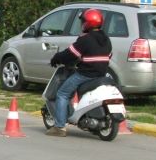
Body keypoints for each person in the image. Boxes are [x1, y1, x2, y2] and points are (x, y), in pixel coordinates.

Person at [47, 8, 112, 136]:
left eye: (83, 21)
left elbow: (69, 54)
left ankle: (59, 127)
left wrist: (56, 58)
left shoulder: (85, 39)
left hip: (86, 74)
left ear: (88, 23)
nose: (81, 24)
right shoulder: (106, 39)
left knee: (62, 94)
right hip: (101, 74)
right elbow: (108, 55)